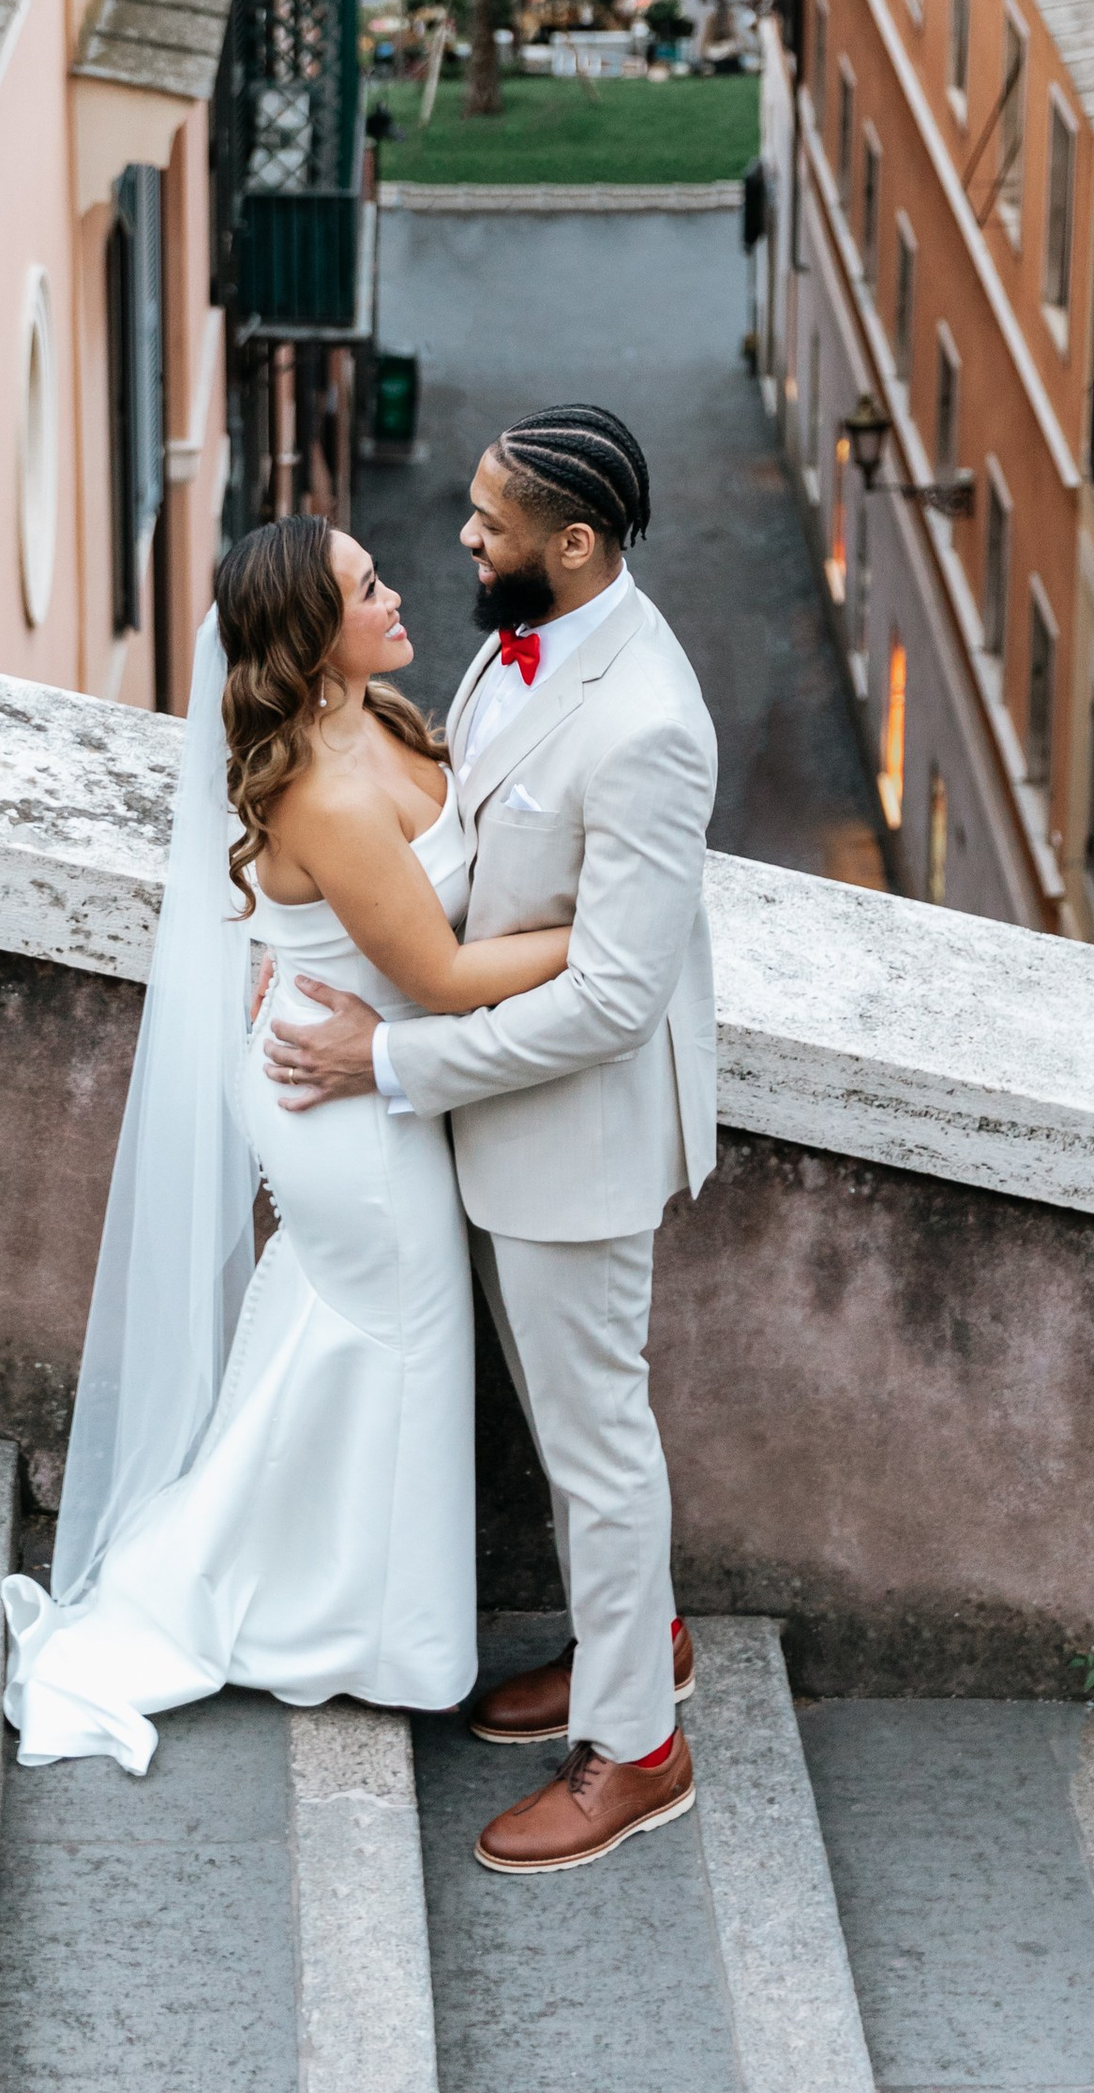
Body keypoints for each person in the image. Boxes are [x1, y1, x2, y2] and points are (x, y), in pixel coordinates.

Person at [0, 515, 573, 1774]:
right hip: (349, 1114)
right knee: (401, 1355)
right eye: (367, 588)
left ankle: (320, 1603)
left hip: (352, 1072)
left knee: (350, 1350)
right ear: (315, 641)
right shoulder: (326, 787)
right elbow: (444, 969)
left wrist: (282, 956)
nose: (396, 592)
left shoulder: (376, 719)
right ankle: (367, 1636)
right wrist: (608, 945)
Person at [265, 405, 719, 1878]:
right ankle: (630, 1646)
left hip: (573, 1146)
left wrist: (389, 1058)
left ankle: (639, 1751)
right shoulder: (517, 635)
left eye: (490, 523)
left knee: (596, 1448)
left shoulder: (649, 723)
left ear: (572, 547)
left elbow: (609, 1001)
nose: (460, 539)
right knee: (568, 1427)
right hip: (501, 1131)